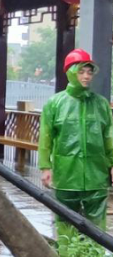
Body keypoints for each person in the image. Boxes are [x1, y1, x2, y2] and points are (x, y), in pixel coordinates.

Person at [38, 49, 113, 239]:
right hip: (66, 175)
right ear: (70, 72)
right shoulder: (55, 104)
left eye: (89, 72)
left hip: (96, 174)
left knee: (96, 225)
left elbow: (109, 137)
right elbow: (45, 137)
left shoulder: (101, 104)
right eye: (81, 71)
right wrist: (46, 166)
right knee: (65, 221)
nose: (86, 76)